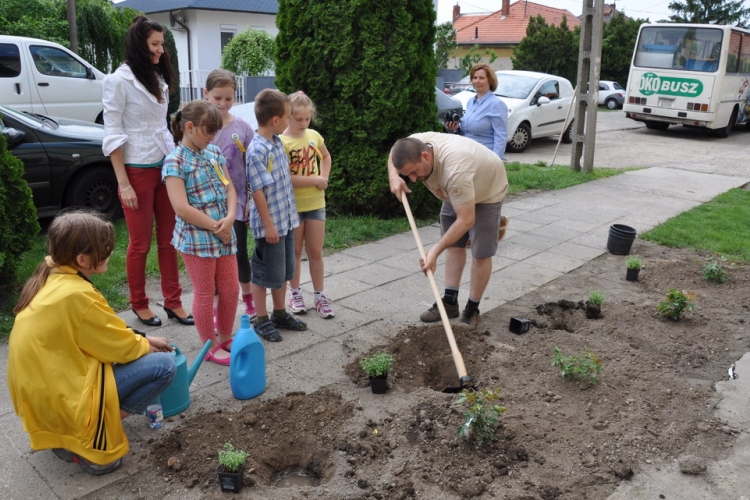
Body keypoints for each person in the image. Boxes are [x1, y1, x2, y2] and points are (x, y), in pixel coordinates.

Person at [7, 211, 177, 476]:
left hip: (43, 396)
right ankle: (88, 437)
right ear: (83, 259)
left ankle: (64, 436)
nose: (110, 253)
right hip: (65, 397)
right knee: (164, 366)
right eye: (105, 250)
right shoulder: (78, 295)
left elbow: (102, 331)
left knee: (141, 355)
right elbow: (118, 348)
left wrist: (142, 338)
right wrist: (144, 346)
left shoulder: (50, 275)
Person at [102, 15, 193, 328]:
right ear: (140, 46)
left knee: (169, 240)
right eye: (155, 44)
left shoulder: (157, 75)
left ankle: (174, 301)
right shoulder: (118, 81)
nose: (161, 50)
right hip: (136, 171)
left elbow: (162, 123)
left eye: (162, 44)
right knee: (140, 243)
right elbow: (112, 133)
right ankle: (139, 304)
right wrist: (123, 183)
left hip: (166, 166)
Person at [387, 132, 508, 329]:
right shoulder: (412, 144)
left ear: (426, 156)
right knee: (454, 243)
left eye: (414, 172)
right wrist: (393, 176)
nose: (414, 180)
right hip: (456, 191)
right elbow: (394, 151)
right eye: (407, 175)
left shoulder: (455, 171)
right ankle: (450, 302)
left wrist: (434, 251)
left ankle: (472, 308)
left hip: (487, 190)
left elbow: (466, 220)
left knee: (481, 252)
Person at [163, 100, 238, 366]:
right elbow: (181, 208)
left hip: (225, 234)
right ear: (190, 127)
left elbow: (229, 188)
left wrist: (229, 218)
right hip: (197, 240)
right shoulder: (174, 161)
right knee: (205, 292)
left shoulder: (214, 152)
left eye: (215, 132)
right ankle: (210, 345)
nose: (212, 137)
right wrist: (217, 227)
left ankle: (225, 336)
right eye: (208, 131)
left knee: (230, 289)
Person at [246, 89, 308, 342]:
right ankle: (261, 319)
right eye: (288, 116)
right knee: (263, 275)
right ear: (275, 121)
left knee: (282, 272)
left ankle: (280, 313)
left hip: (286, 221)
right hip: (270, 227)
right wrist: (269, 226)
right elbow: (258, 192)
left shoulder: (276, 142)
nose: (290, 120)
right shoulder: (257, 150)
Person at [203, 69, 257, 321]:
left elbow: (250, 167)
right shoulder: (201, 130)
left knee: (239, 253)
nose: (223, 104)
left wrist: (249, 201)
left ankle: (249, 300)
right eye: (217, 98)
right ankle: (216, 307)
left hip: (237, 202)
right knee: (213, 258)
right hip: (207, 206)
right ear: (206, 95)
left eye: (228, 98)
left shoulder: (244, 128)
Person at [281, 91, 335, 319]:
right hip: (293, 206)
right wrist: (315, 180)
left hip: (315, 204)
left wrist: (324, 177)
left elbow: (326, 157)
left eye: (307, 118)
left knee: (315, 251)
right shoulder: (282, 141)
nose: (304, 123)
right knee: (294, 253)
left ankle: (320, 295)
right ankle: (295, 293)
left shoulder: (314, 135)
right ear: (287, 116)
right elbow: (285, 177)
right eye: (298, 119)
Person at [445, 63, 509, 161]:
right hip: (466, 154)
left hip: (484, 158)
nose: (477, 81)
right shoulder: (470, 102)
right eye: (474, 78)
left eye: (481, 78)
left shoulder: (496, 104)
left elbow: (501, 136)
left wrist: (495, 160)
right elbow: (466, 131)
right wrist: (455, 129)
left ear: (490, 81)